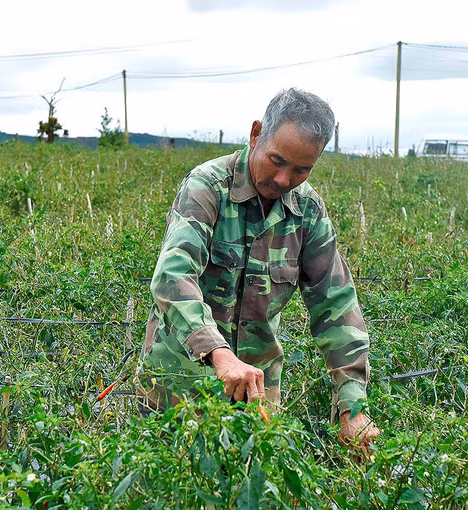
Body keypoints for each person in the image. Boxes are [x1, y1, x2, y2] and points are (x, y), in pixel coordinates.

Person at [136, 88, 380, 453]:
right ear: (255, 135)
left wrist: (352, 405)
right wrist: (219, 354)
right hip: (179, 386)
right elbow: (174, 276)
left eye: (301, 169)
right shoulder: (207, 187)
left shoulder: (307, 210)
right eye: (276, 160)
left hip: (257, 396)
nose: (283, 179)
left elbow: (337, 306)